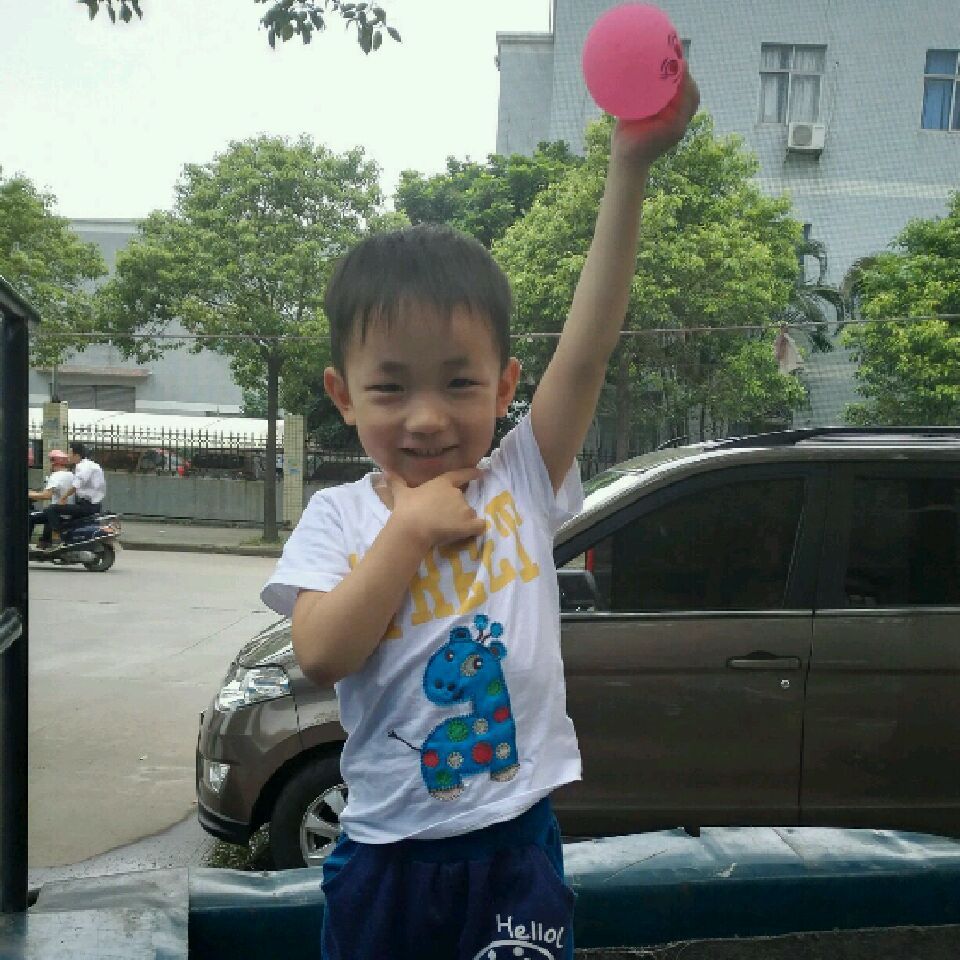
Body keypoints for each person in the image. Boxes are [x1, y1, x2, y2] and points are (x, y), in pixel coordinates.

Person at [262, 71, 699, 960]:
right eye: (391, 388)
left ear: (504, 387)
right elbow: (321, 652)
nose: (427, 418)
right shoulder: (341, 519)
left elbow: (588, 347)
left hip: (513, 847)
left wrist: (629, 168)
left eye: (459, 383)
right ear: (344, 396)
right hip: (386, 858)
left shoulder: (521, 478)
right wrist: (410, 529)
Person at [41, 441, 107, 548]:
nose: (68, 456)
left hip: (87, 506)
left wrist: (63, 497)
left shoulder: (83, 466)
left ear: (76, 455)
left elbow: (76, 485)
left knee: (51, 510)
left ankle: (57, 537)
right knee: (66, 520)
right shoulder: (91, 465)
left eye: (70, 453)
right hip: (90, 504)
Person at [28, 449, 75, 545]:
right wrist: (34, 493)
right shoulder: (70, 475)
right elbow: (52, 493)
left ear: (54, 463)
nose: (50, 465)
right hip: (66, 512)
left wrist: (28, 494)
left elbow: (47, 495)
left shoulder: (56, 476)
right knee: (44, 513)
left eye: (50, 462)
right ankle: (45, 542)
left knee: (29, 517)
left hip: (57, 513)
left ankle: (24, 545)